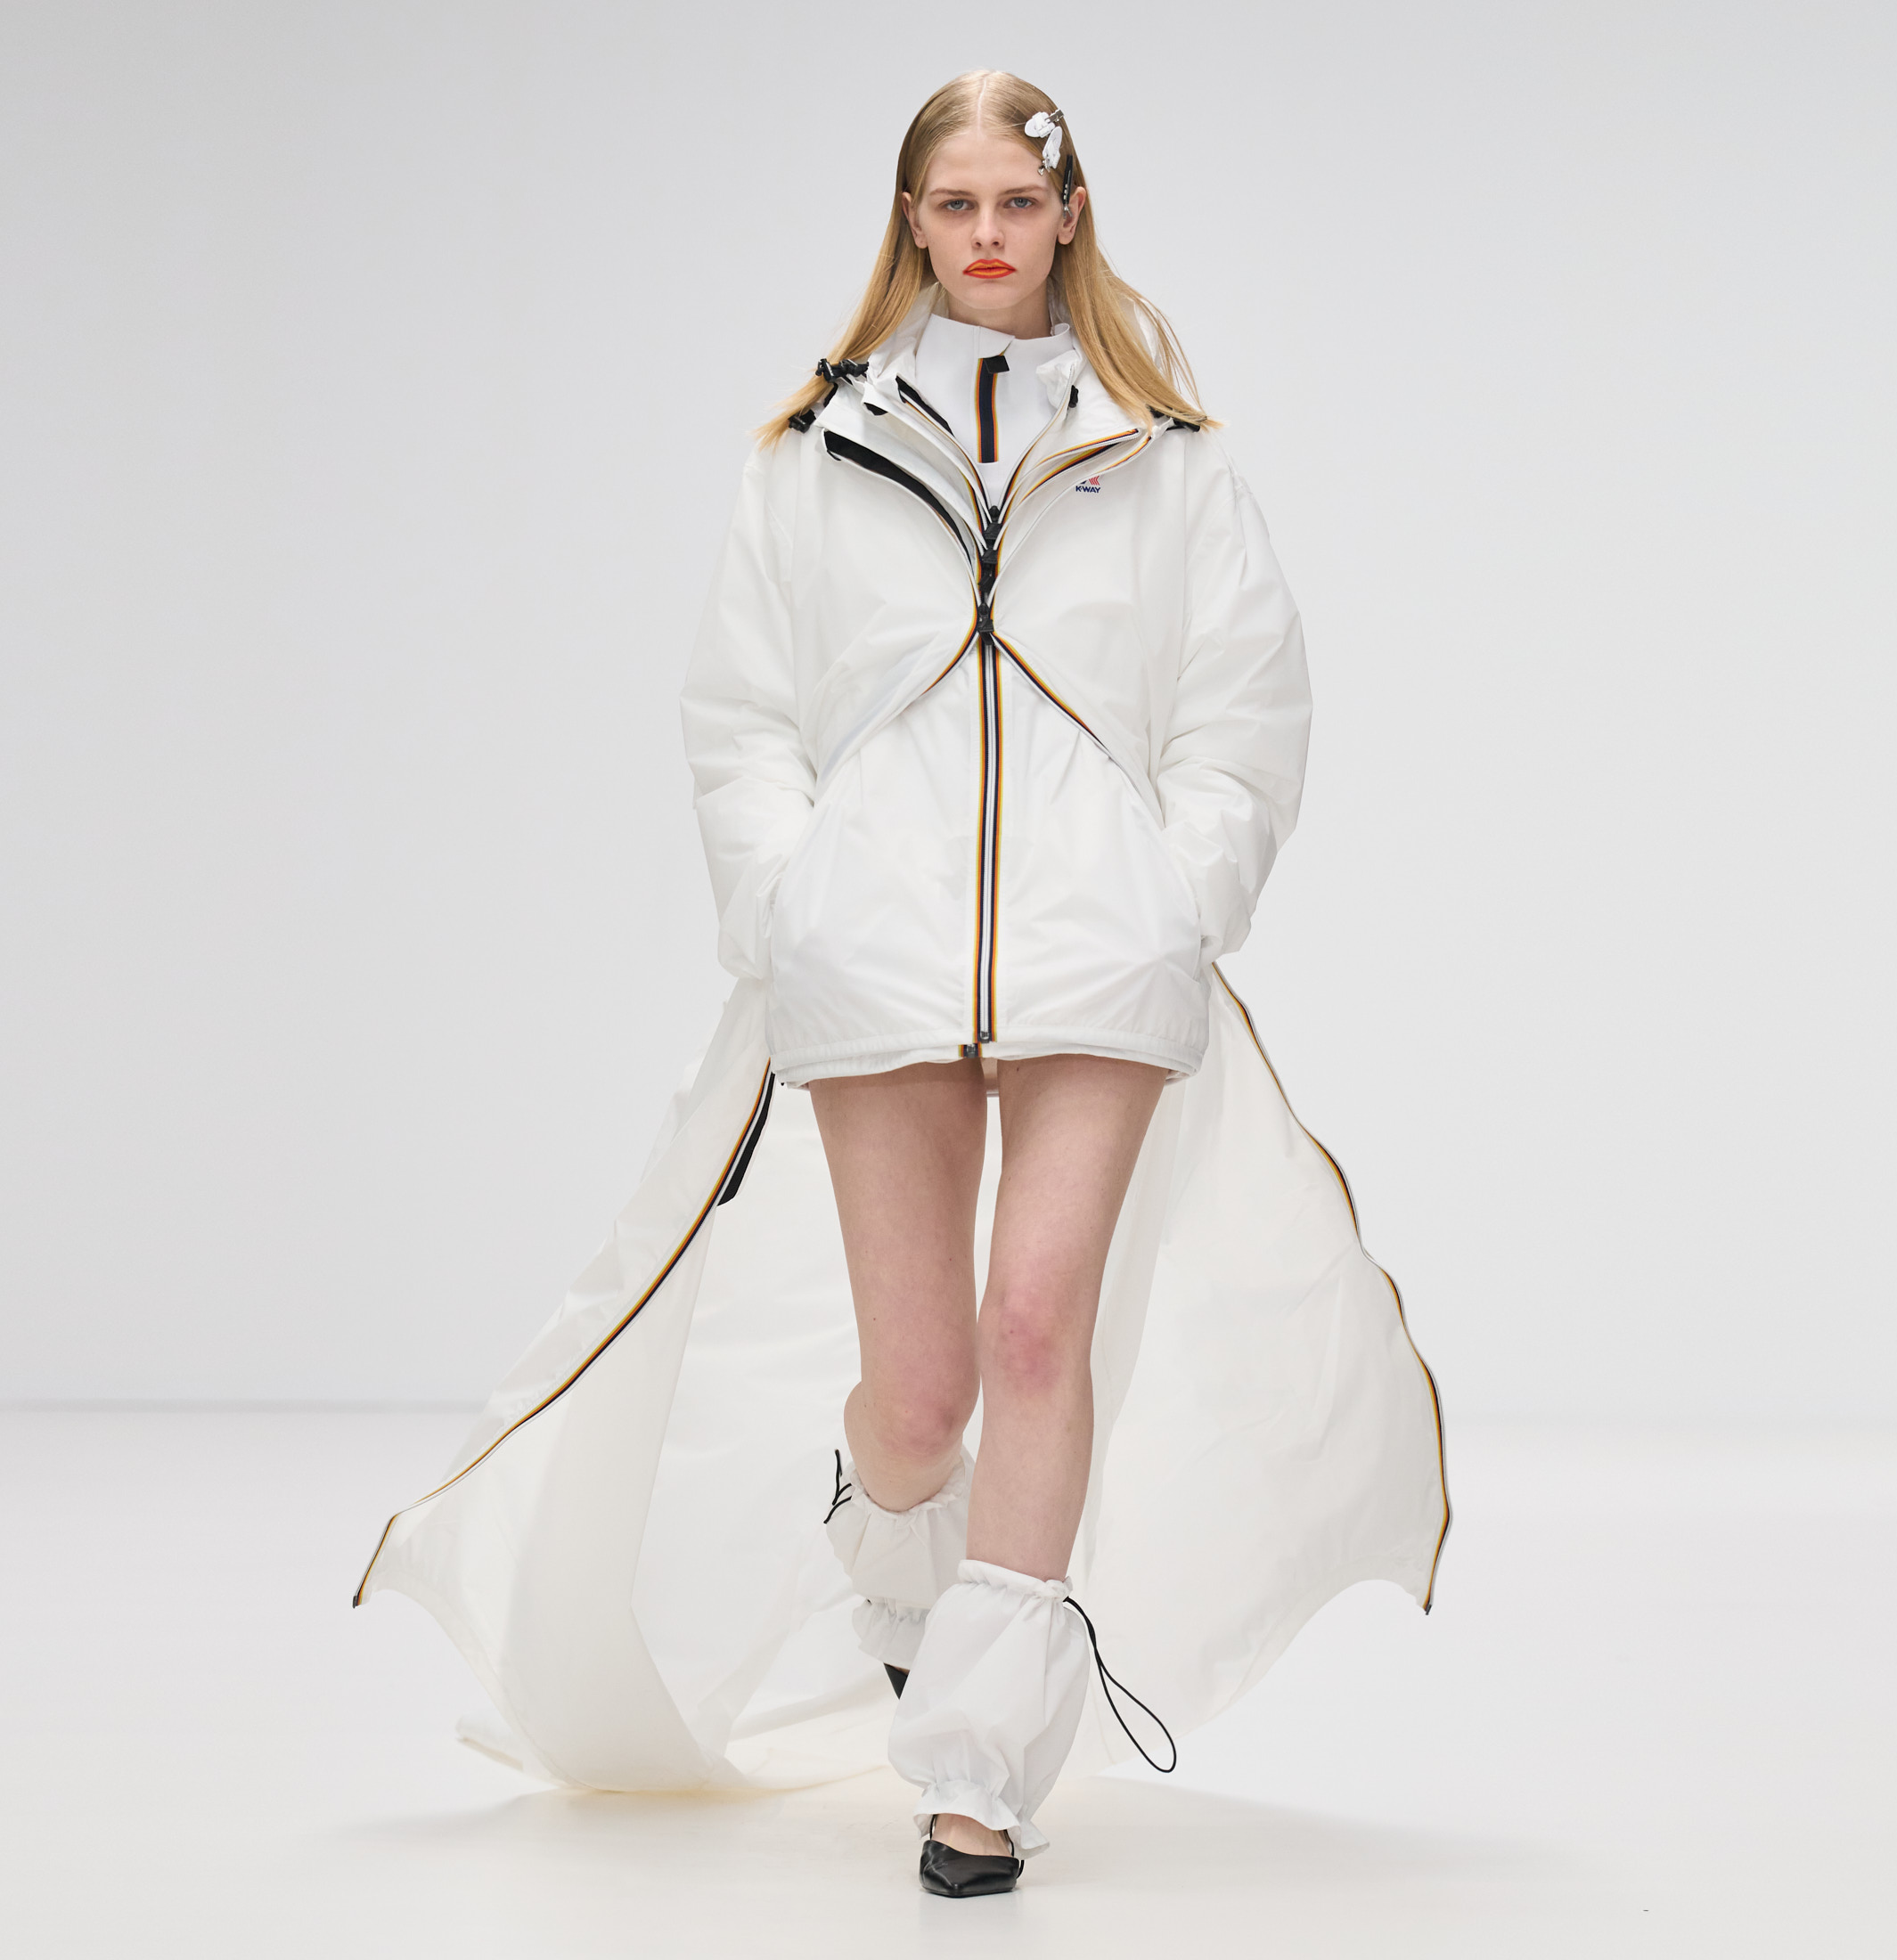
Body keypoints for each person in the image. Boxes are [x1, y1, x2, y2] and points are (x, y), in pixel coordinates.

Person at [354, 70, 1449, 1901]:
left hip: (1102, 957)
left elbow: (1245, 708)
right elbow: (740, 715)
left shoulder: (1170, 459)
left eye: (1016, 201)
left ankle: (979, 1771)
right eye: (954, 205)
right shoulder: (811, 453)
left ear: (1070, 212)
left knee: (1035, 1333)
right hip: (872, 953)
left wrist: (1179, 899)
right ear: (912, 223)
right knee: (923, 1393)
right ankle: (892, 1564)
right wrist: (792, 909)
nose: (987, 235)